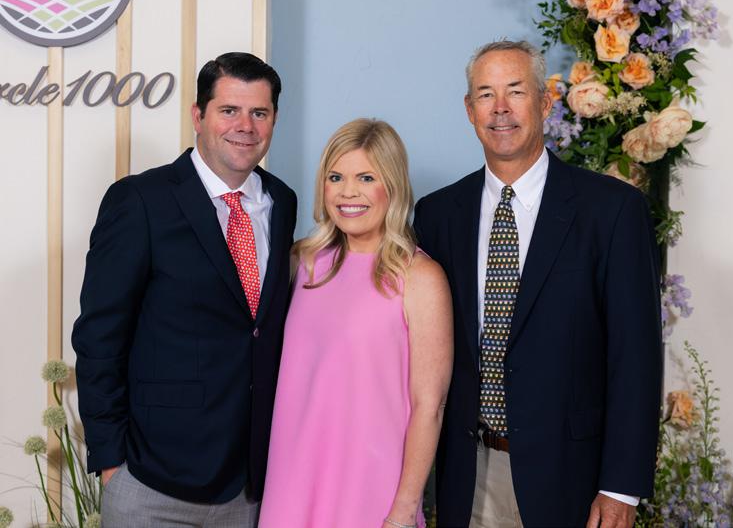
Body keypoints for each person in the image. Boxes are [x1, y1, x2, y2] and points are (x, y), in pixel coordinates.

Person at [413, 41, 662, 528]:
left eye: (515, 91)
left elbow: (635, 357)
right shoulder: (438, 215)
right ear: (469, 109)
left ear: (546, 102)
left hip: (572, 478)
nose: (500, 108)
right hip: (467, 472)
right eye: (485, 94)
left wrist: (620, 488)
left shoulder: (611, 210)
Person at [72, 52, 297, 528]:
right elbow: (99, 338)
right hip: (150, 483)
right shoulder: (141, 201)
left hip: (247, 486)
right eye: (229, 110)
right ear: (198, 115)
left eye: (259, 113)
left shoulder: (282, 200)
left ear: (274, 119)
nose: (246, 126)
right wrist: (112, 463)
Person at [258, 118, 453, 528]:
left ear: (393, 186)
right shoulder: (301, 263)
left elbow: (429, 406)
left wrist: (404, 509)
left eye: (366, 177)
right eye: (336, 177)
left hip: (372, 492)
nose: (348, 192)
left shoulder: (420, 278)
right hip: (290, 484)